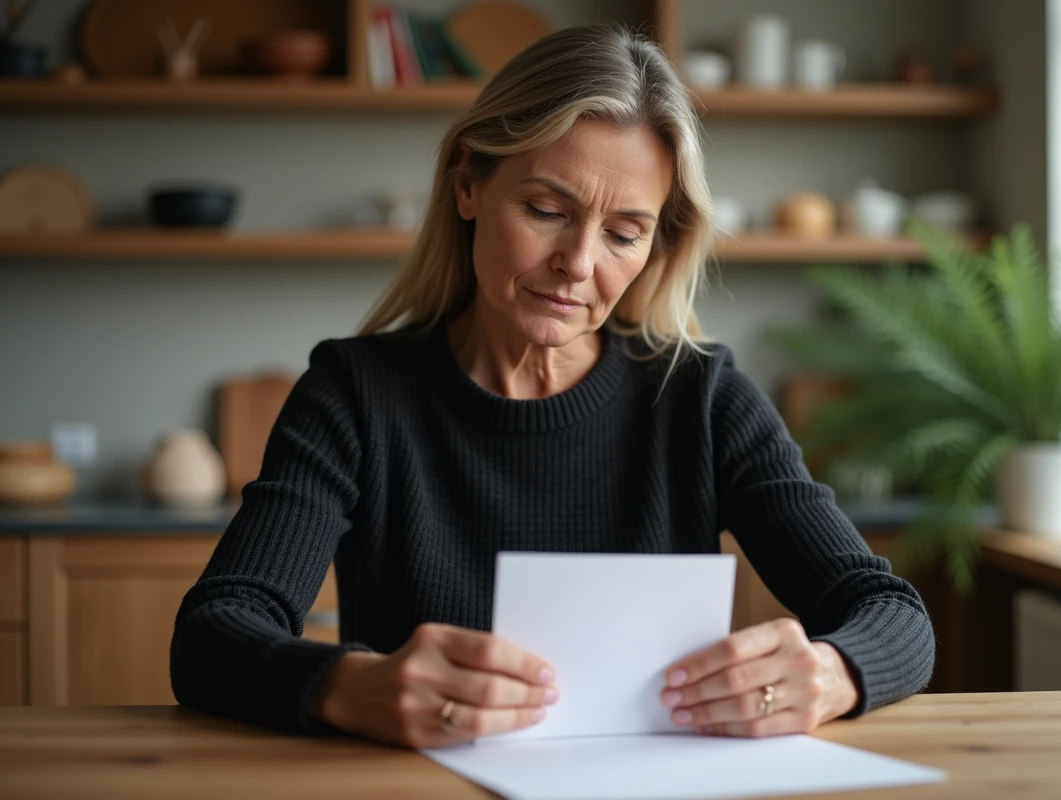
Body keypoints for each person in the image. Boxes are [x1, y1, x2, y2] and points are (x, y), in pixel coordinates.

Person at [170, 24, 934, 749]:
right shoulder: (355, 395)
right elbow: (216, 630)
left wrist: (832, 674)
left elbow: (891, 614)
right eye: (546, 210)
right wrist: (346, 685)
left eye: (624, 233)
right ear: (468, 184)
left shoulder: (702, 399)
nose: (578, 261)